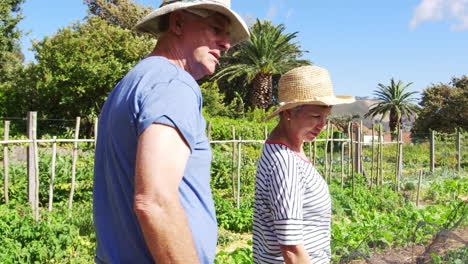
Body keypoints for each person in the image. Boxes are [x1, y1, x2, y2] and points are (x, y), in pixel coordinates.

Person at [92, 1, 249, 263]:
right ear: (177, 23)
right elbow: (155, 203)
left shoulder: (132, 82)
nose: (226, 44)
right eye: (216, 29)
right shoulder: (174, 84)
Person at [252, 65, 355, 264]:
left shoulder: (290, 148)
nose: (323, 126)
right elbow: (291, 248)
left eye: (326, 117)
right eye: (316, 116)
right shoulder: (285, 163)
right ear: (289, 113)